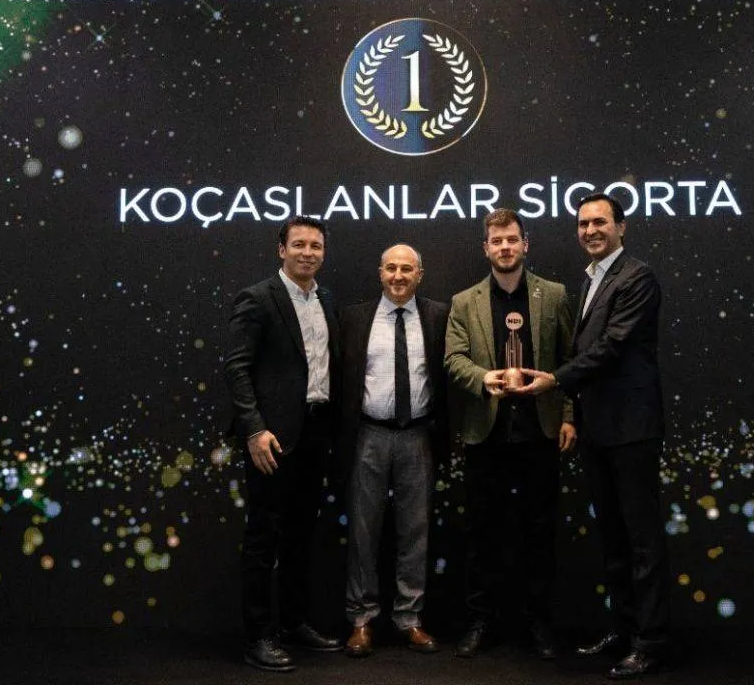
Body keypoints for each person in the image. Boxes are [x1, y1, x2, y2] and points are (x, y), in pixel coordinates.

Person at [515, 193, 671, 679]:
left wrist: (555, 379)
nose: (590, 231)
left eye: (600, 222)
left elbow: (613, 345)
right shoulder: (591, 279)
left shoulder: (637, 277)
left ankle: (651, 642)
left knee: (642, 541)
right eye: (583, 224)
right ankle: (624, 630)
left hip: (632, 429)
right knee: (614, 539)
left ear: (621, 227)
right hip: (599, 429)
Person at [444, 208, 576, 660]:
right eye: (497, 241)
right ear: (486, 248)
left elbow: (570, 362)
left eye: (512, 239)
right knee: (483, 534)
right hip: (487, 434)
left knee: (539, 533)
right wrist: (483, 378)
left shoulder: (554, 295)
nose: (505, 247)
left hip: (540, 433)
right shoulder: (465, 301)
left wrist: (569, 416)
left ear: (525, 244)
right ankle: (480, 621)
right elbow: (453, 359)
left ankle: (538, 623)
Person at [223, 216, 345, 672]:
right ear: (281, 250)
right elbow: (236, 368)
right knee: (264, 537)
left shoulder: (326, 298)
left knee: (300, 535)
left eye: (316, 246)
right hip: (271, 439)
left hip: (315, 433)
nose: (307, 253)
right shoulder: (257, 299)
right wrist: (254, 430)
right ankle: (258, 635)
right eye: (299, 245)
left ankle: (293, 623)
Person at [339, 244, 449, 657]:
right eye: (391, 268)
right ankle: (361, 620)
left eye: (406, 268)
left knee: (415, 532)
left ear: (420, 274)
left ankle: (409, 618)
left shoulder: (439, 316)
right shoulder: (353, 318)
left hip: (418, 436)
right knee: (363, 531)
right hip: (368, 435)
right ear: (380, 272)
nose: (398, 276)